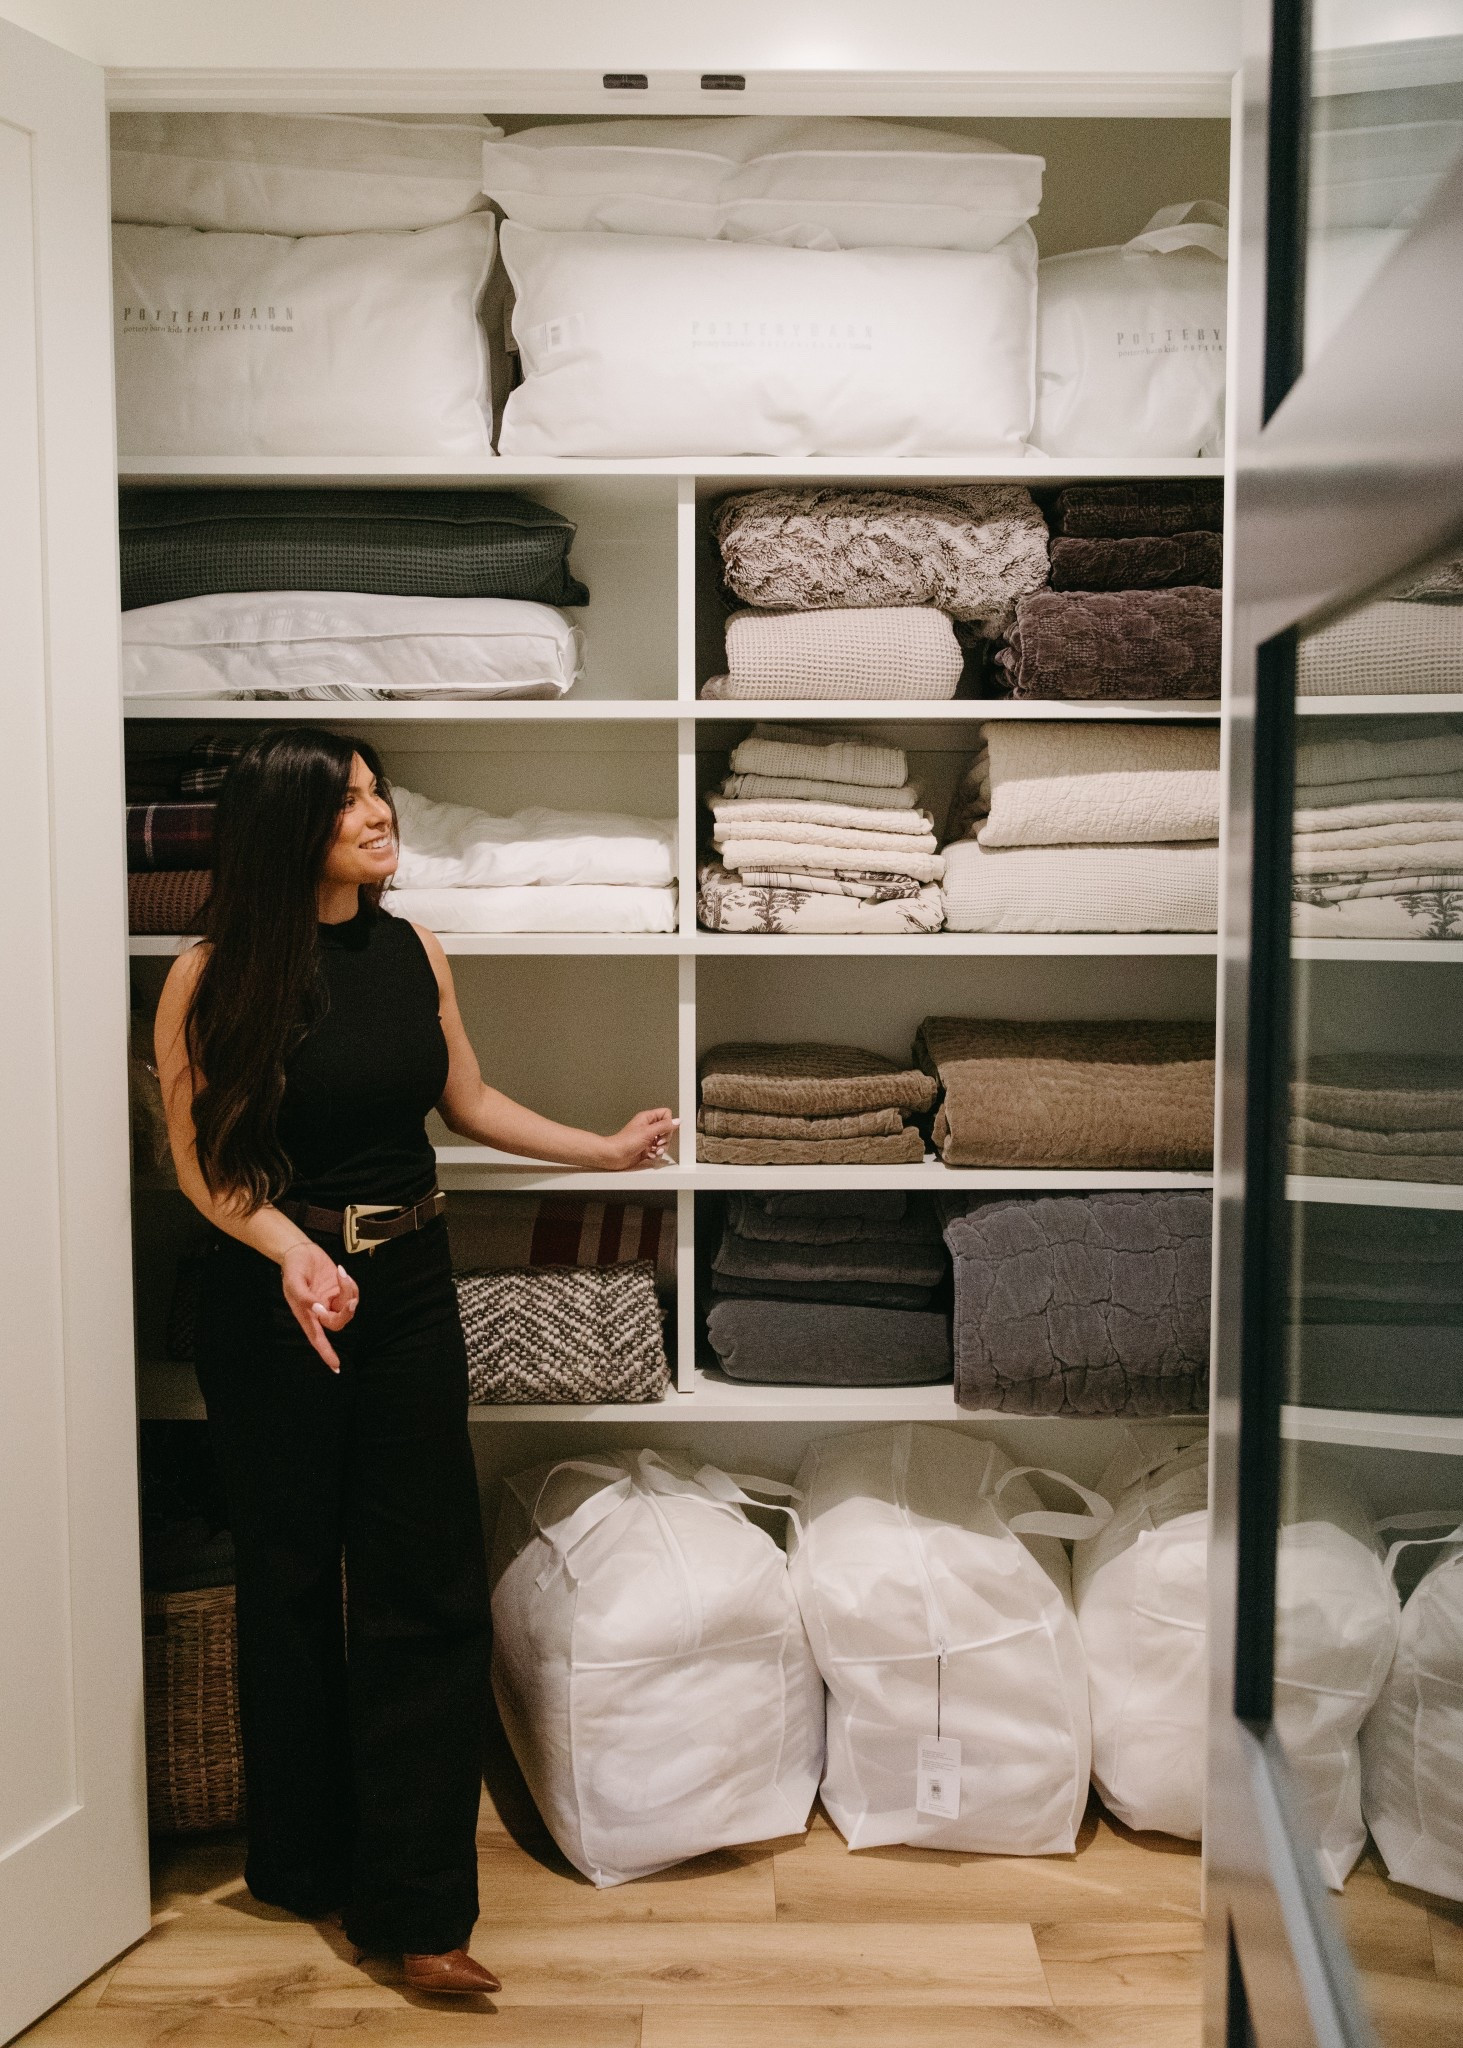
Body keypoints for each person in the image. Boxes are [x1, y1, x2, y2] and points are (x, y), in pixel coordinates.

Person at [154, 727, 675, 1996]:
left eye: (376, 791)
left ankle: (421, 1904)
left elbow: (468, 1101)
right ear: (288, 827)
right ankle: (303, 1862)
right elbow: (203, 1166)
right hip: (270, 1298)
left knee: (424, 1583)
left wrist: (600, 1150)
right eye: (348, 801)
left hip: (406, 1289)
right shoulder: (207, 976)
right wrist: (290, 1251)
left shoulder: (412, 949)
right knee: (287, 1582)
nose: (379, 812)